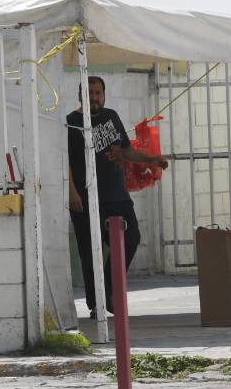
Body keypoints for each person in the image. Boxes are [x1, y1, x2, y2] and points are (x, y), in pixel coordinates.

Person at [67, 75, 167, 317]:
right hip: (85, 196)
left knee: (130, 238)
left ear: (103, 94)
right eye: (88, 93)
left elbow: (124, 150)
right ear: (81, 95)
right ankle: (97, 304)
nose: (93, 97)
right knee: (90, 250)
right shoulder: (71, 122)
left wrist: (151, 159)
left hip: (116, 194)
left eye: (97, 93)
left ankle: (110, 289)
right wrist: (72, 192)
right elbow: (65, 160)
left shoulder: (111, 117)